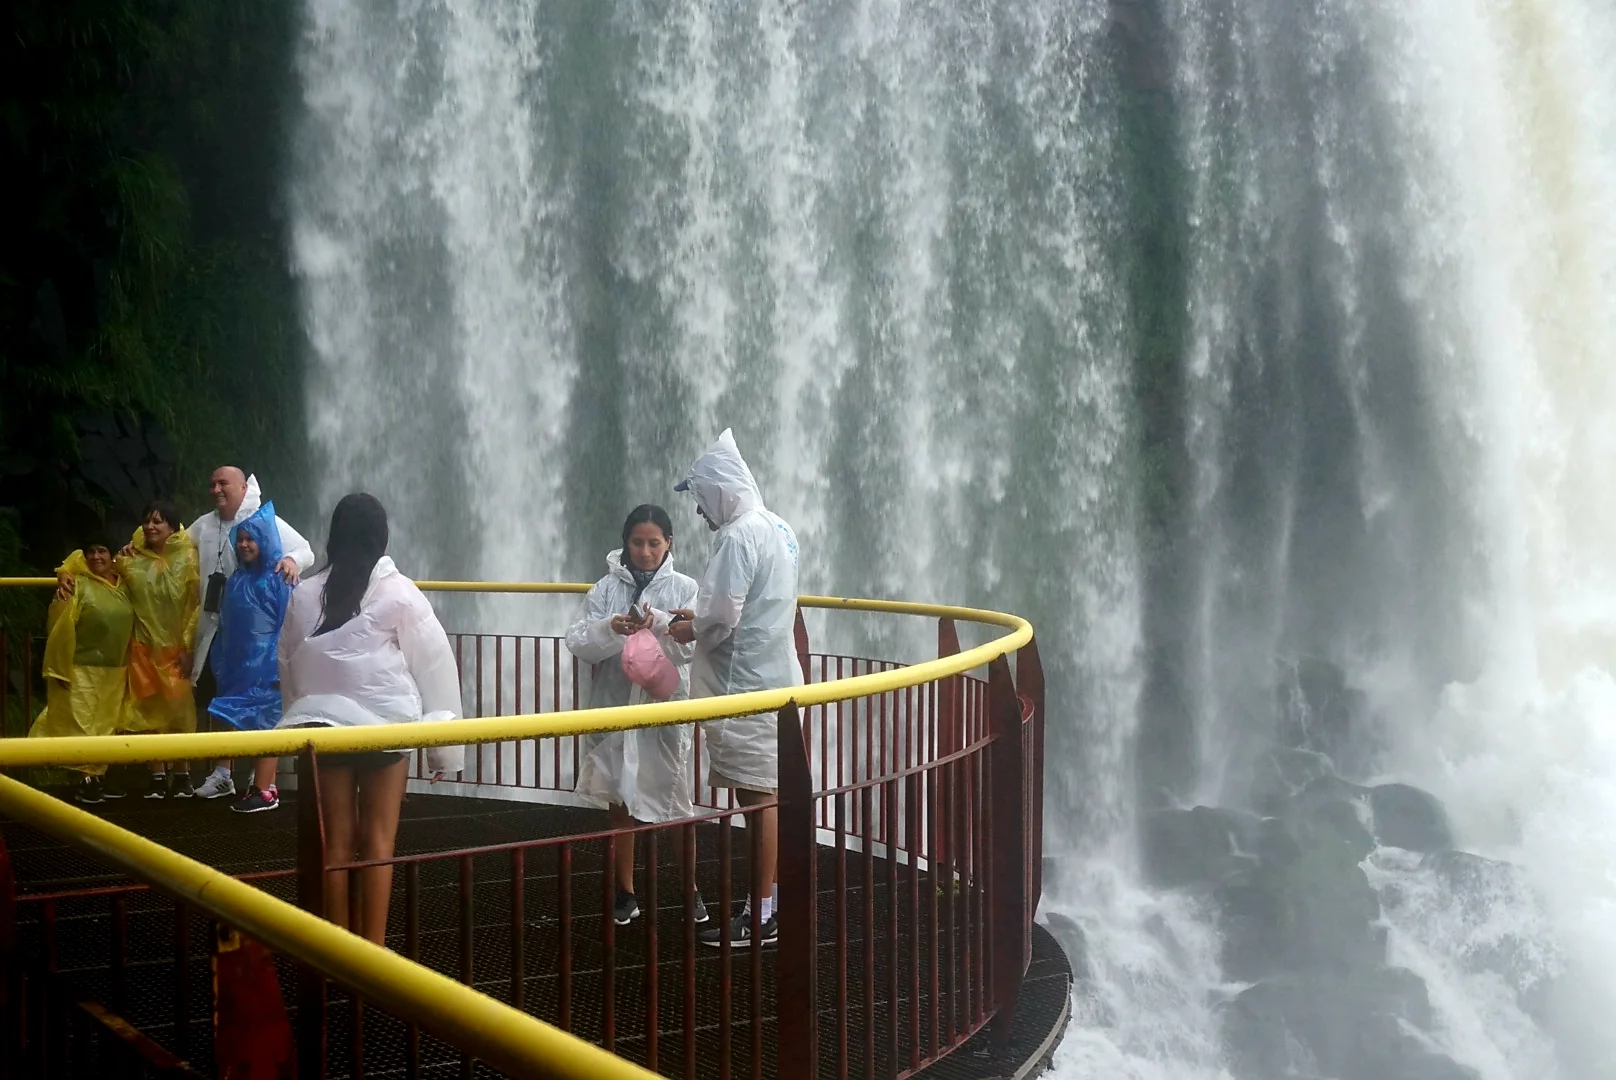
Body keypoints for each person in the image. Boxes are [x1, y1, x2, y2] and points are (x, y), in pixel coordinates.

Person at [275, 493, 463, 945]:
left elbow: (289, 664)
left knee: (336, 844)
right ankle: (373, 955)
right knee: (378, 843)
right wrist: (444, 751)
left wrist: (296, 720)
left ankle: (338, 952)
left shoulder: (303, 594)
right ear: (381, 537)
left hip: (322, 729)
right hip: (385, 731)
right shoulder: (399, 592)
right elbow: (435, 667)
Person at [669, 429, 801, 947]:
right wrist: (698, 615)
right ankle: (771, 905)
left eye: (701, 498)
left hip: (745, 686)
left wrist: (688, 628)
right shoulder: (779, 527)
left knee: (757, 799)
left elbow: (722, 616)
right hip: (776, 679)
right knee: (767, 795)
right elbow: (748, 605)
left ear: (719, 489)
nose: (699, 511)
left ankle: (762, 916)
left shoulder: (736, 535)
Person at [566, 505, 706, 926]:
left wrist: (659, 623)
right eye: (637, 542)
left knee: (676, 802)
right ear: (625, 543)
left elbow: (696, 646)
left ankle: (689, 889)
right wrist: (611, 628)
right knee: (619, 801)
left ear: (669, 543)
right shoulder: (605, 589)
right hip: (614, 707)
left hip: (665, 710)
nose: (645, 552)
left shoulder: (686, 588)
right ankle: (625, 892)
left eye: (653, 543)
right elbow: (577, 641)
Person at [188, 467, 313, 800]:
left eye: (223, 483)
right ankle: (223, 774)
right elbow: (174, 546)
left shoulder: (264, 522)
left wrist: (291, 560)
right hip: (222, 630)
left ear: (243, 488)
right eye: (212, 484)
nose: (216, 489)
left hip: (262, 645)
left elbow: (305, 550)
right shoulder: (205, 524)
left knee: (263, 709)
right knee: (221, 701)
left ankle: (262, 783)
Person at [32, 534, 134, 804]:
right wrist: (59, 666)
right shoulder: (76, 585)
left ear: (113, 555)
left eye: (102, 551)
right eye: (91, 552)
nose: (96, 557)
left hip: (115, 670)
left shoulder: (125, 584)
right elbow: (59, 629)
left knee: (105, 726)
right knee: (82, 725)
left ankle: (98, 777)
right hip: (81, 668)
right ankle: (86, 780)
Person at [207, 503, 294, 813]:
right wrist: (221, 658)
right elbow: (227, 623)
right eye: (240, 539)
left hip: (267, 665)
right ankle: (234, 779)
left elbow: (289, 623)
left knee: (266, 723)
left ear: (265, 541)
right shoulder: (237, 579)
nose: (244, 545)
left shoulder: (279, 577)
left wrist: (279, 665)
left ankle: (265, 790)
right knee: (231, 714)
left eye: (251, 539)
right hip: (237, 664)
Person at [118, 499, 201, 799]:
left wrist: (189, 647)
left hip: (176, 649)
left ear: (172, 526)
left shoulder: (189, 558)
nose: (150, 526)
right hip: (143, 647)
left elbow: (195, 606)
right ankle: (156, 774)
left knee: (180, 713)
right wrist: (66, 572)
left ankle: (181, 773)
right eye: (147, 521)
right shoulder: (130, 559)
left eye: (158, 521)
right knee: (148, 711)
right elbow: (95, 568)